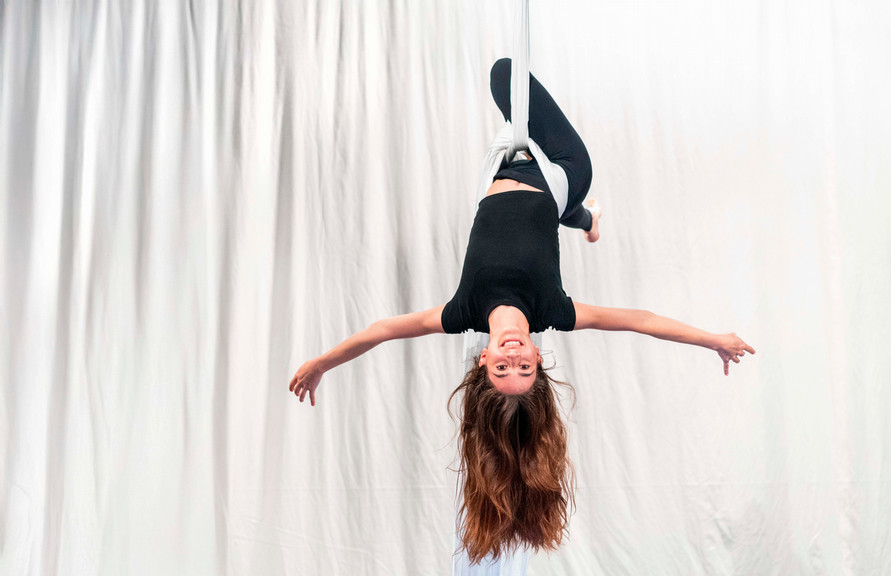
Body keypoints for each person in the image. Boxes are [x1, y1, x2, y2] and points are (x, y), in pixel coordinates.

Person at [287, 58, 755, 565]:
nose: (513, 356)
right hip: (557, 173)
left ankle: (585, 219)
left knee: (512, 113)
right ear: (537, 355)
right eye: (524, 367)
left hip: (496, 174)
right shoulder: (554, 309)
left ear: (482, 361)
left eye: (503, 367)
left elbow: (381, 330)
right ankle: (580, 210)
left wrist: (322, 363)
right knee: (504, 73)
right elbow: (641, 320)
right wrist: (713, 338)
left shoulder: (460, 312)